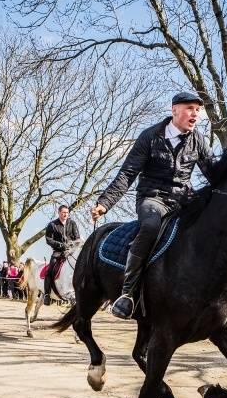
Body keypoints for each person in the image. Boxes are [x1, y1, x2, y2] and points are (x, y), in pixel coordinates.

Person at [90, 91, 215, 319]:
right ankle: (128, 293)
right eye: (190, 108)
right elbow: (127, 173)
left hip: (183, 200)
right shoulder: (149, 136)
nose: (195, 114)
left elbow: (215, 175)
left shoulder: (199, 140)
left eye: (198, 110)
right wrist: (105, 203)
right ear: (174, 110)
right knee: (150, 227)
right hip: (152, 199)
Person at [43, 205, 80, 306]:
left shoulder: (72, 223)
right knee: (50, 269)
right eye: (63, 212)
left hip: (71, 250)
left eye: (67, 213)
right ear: (59, 212)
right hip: (58, 251)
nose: (65, 214)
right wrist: (61, 245)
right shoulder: (52, 225)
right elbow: (49, 240)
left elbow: (77, 238)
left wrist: (73, 244)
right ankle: (47, 295)